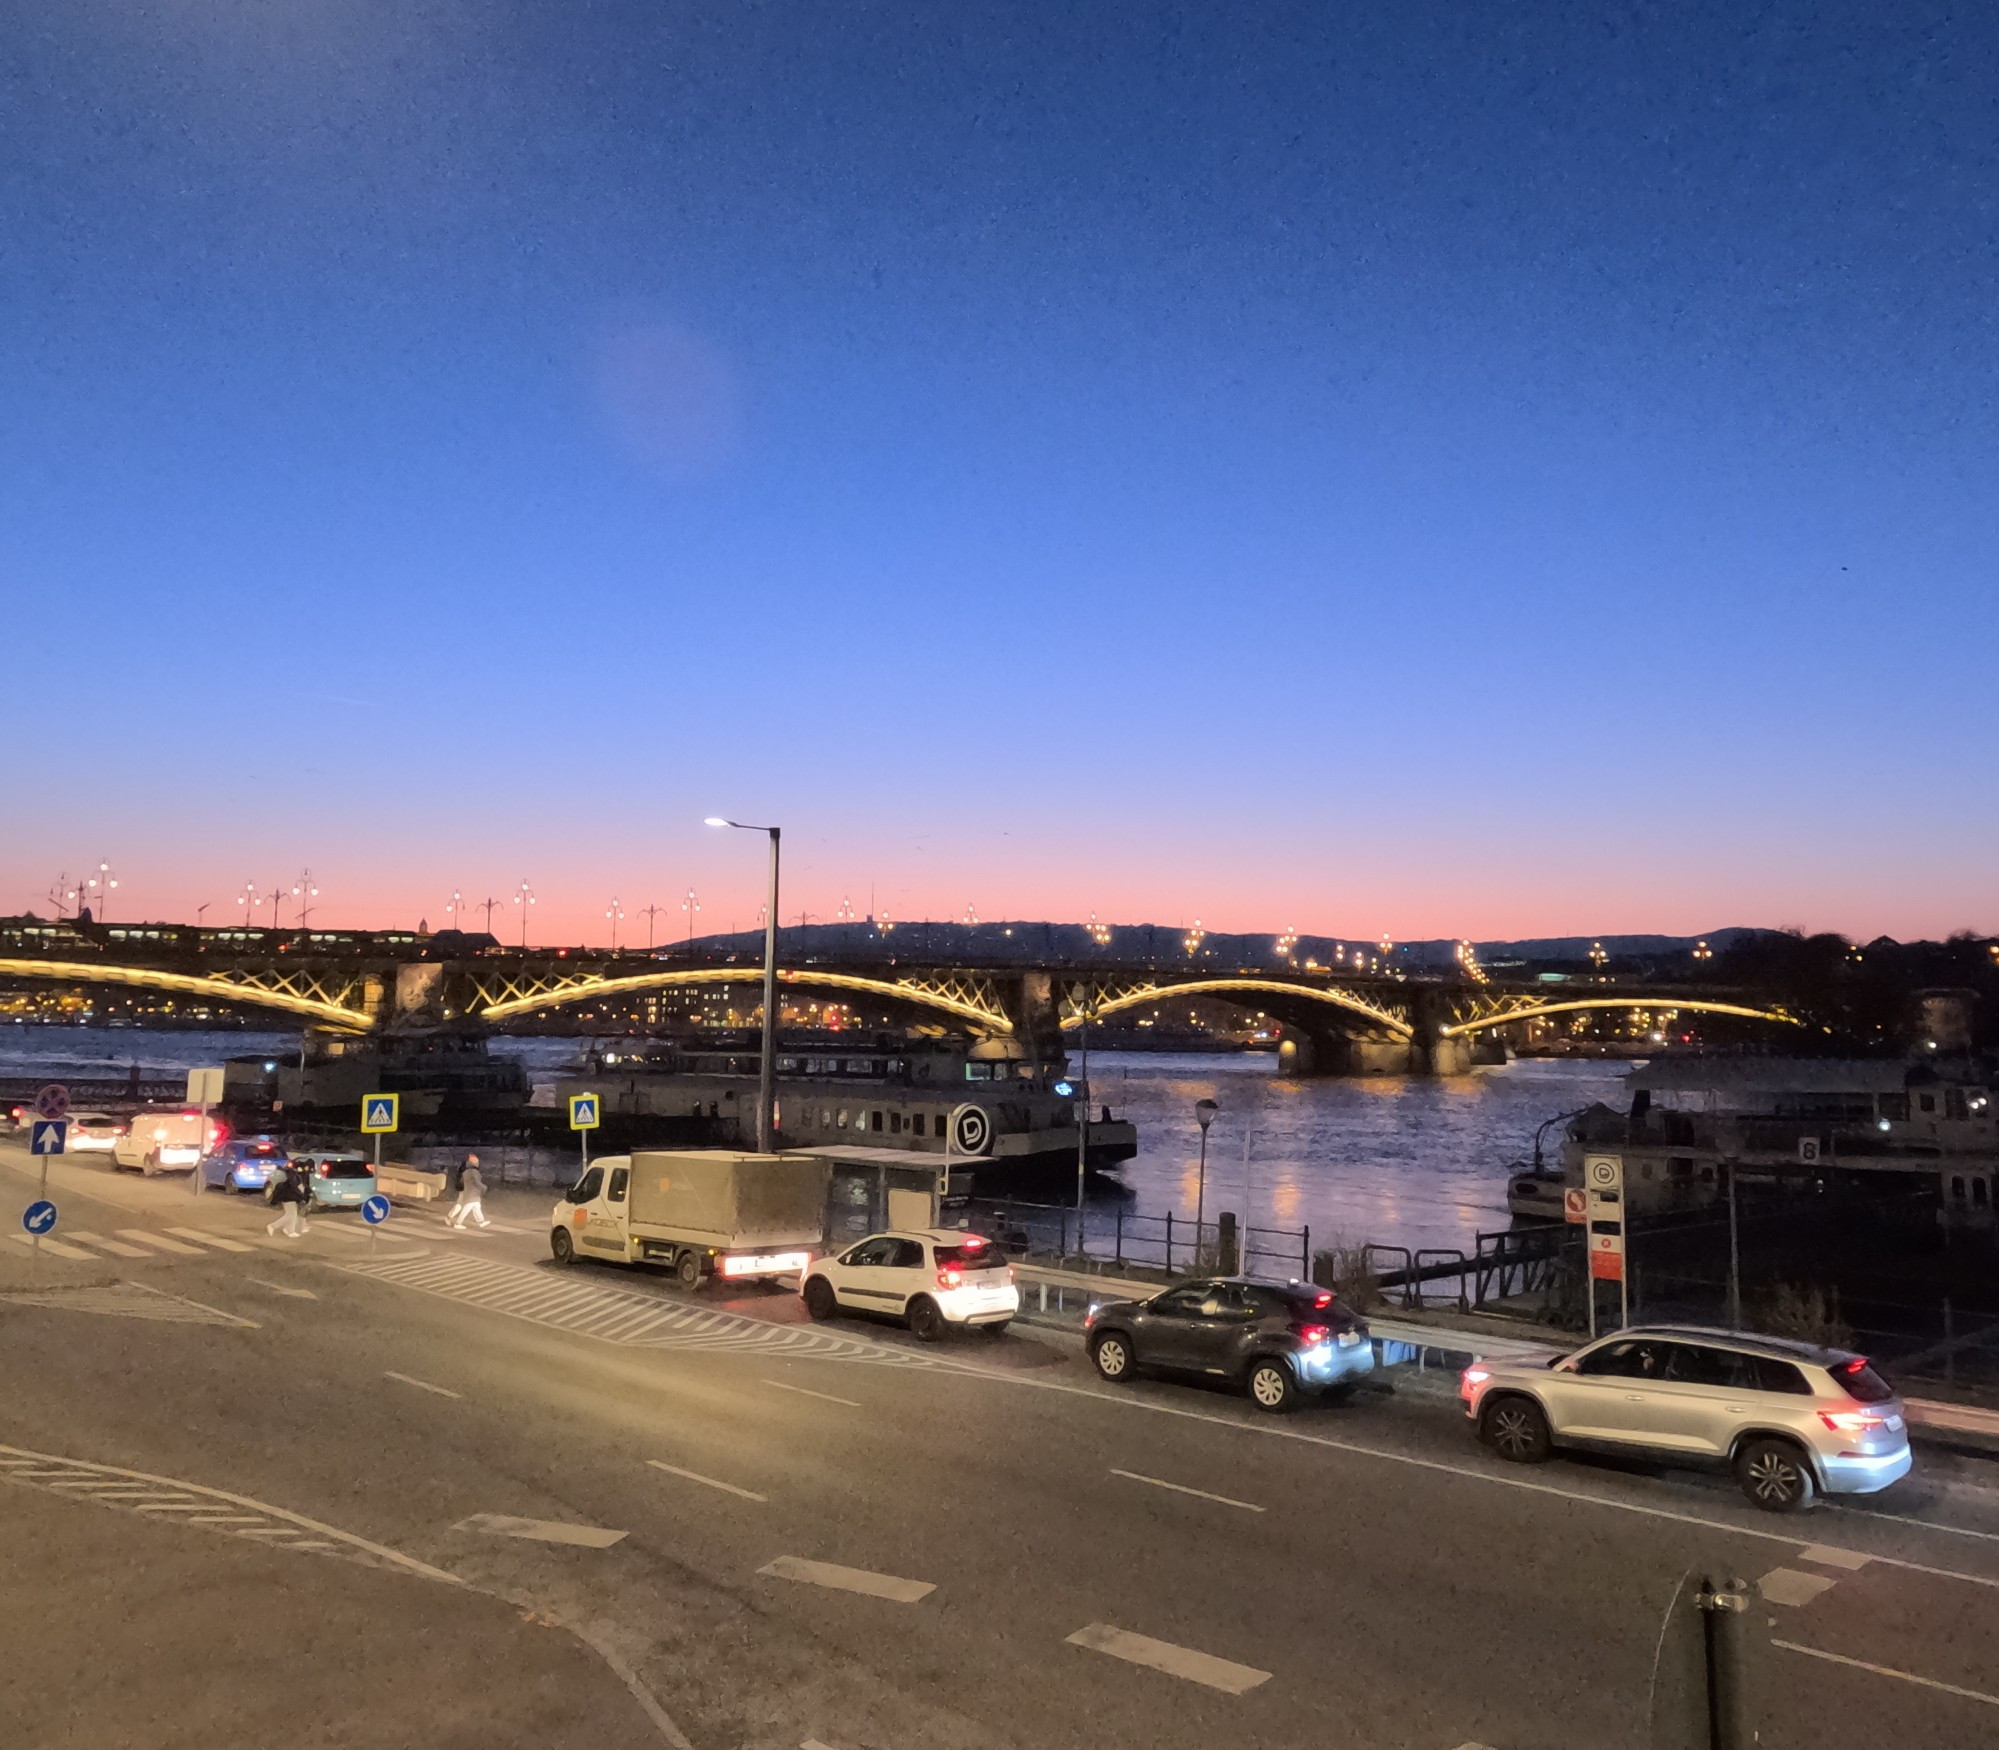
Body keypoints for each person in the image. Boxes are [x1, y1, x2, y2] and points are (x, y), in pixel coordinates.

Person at [265, 1157, 310, 1239]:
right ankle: (273, 1226)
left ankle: (289, 1230)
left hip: (288, 1196)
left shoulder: (292, 1173)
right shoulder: (293, 1175)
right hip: (289, 1197)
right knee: (291, 1215)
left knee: (292, 1214)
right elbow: (295, 1187)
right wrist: (301, 1196)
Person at [447, 1154, 489, 1229]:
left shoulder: (466, 1171)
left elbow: (462, 1180)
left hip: (468, 1192)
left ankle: (481, 1221)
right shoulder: (474, 1172)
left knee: (476, 1206)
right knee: (466, 1207)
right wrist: (483, 1187)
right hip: (472, 1192)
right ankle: (457, 1223)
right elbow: (476, 1182)